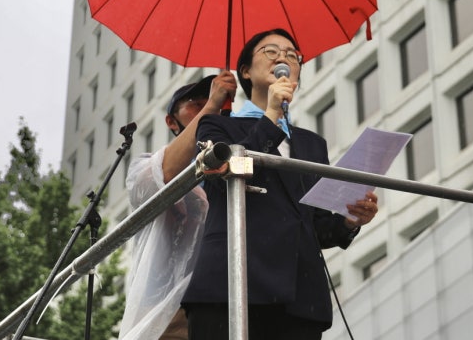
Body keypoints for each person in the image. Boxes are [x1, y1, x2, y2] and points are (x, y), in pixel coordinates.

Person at [181, 29, 379, 340]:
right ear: (245, 71)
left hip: (298, 299)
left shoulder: (312, 144)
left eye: (292, 55)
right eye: (270, 52)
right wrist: (271, 114)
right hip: (230, 284)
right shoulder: (216, 124)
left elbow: (318, 228)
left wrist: (350, 218)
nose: (282, 58)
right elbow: (223, 177)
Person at [119, 71, 238, 340]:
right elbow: (167, 173)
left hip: (225, 303)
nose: (207, 104)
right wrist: (211, 108)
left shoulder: (234, 164)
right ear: (171, 121)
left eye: (208, 100)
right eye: (194, 103)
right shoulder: (145, 165)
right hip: (169, 311)